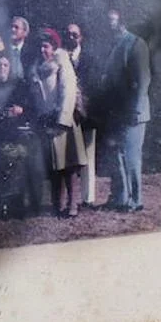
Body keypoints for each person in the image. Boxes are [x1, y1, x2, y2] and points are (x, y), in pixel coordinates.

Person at [29, 29, 86, 217]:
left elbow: (67, 90)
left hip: (62, 120)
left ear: (53, 47)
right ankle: (57, 203)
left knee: (68, 164)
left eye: (45, 46)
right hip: (46, 121)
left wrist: (62, 119)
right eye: (40, 46)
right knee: (54, 164)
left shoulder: (61, 62)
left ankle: (73, 204)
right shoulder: (37, 66)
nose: (42, 50)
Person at [99, 9, 151, 212]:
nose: (108, 25)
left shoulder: (136, 44)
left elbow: (142, 80)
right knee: (117, 156)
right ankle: (121, 198)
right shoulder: (111, 45)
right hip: (116, 111)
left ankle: (135, 201)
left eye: (111, 21)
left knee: (131, 156)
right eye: (106, 21)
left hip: (133, 112)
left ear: (122, 21)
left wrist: (135, 111)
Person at [0, 53, 37, 219]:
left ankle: (15, 206)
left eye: (5, 65)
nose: (1, 69)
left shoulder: (19, 86)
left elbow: (31, 109)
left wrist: (21, 110)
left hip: (15, 135)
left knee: (16, 169)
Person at [63, 22, 99, 205]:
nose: (71, 38)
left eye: (75, 35)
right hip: (67, 113)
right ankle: (70, 200)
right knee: (69, 158)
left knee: (88, 155)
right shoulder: (60, 57)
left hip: (86, 113)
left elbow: (94, 86)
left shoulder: (90, 58)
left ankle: (88, 198)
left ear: (81, 37)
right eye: (68, 34)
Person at [8, 16, 31, 80]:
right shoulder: (3, 50)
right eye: (11, 27)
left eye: (16, 27)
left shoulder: (31, 53)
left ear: (25, 32)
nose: (13, 29)